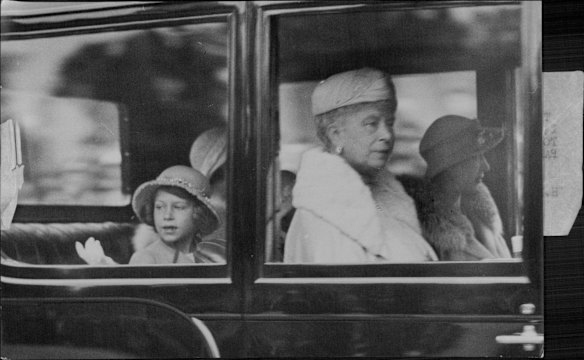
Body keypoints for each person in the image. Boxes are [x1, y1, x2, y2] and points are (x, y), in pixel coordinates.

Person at [283, 68, 438, 263]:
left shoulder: (385, 201)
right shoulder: (321, 219)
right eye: (371, 124)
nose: (387, 135)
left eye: (389, 123)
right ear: (335, 134)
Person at [76, 165, 224, 264]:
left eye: (178, 207)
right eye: (159, 207)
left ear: (199, 214)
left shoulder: (204, 256)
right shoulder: (146, 258)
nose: (167, 215)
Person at [416, 115, 512, 260]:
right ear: (450, 167)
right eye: (476, 157)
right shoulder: (427, 236)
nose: (486, 166)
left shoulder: (482, 219)